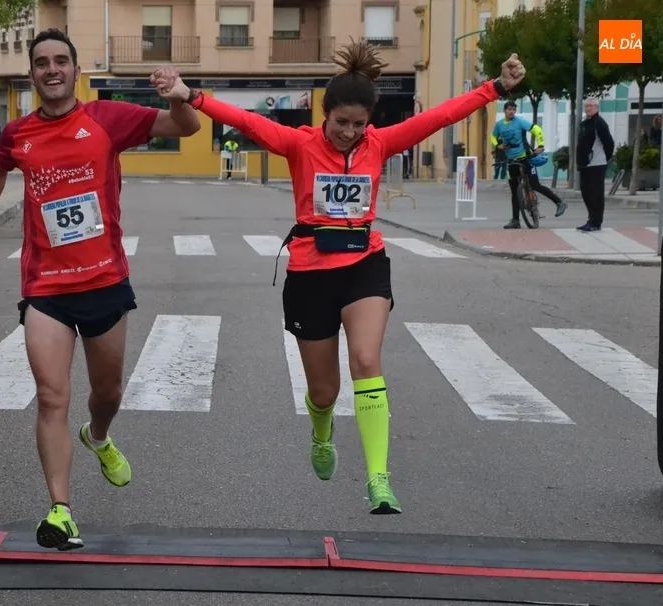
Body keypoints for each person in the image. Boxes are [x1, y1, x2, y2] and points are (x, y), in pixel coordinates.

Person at [152, 40, 526, 515]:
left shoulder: (380, 143)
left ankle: (378, 478)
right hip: (310, 273)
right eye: (341, 123)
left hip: (364, 263)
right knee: (324, 391)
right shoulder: (298, 144)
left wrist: (494, 88)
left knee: (367, 360)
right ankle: (322, 430)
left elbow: (440, 117)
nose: (349, 133)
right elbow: (247, 121)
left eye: (359, 124)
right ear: (323, 115)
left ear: (370, 121)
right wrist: (191, 95)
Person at [0, 28, 200, 551]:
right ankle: (61, 510)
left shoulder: (106, 118)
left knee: (107, 393)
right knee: (51, 397)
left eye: (61, 61)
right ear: (32, 74)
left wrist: (179, 97)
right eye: (42, 62)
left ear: (75, 70)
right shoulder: (18, 134)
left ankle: (99, 436)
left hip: (104, 281)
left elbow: (185, 127)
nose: (52, 69)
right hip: (45, 285)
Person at [490, 101, 567, 229]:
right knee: (514, 191)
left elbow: (536, 129)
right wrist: (498, 145)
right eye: (509, 109)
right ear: (504, 110)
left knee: (535, 185)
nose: (511, 112)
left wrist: (541, 145)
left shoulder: (520, 122)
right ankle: (515, 220)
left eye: (514, 109)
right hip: (512, 161)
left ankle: (559, 202)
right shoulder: (499, 125)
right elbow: (493, 137)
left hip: (526, 158)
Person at [575, 98, 615, 232]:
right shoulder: (584, 123)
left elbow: (609, 143)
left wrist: (604, 157)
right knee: (586, 193)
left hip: (597, 164)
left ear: (597, 108)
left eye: (591, 106)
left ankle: (596, 222)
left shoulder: (599, 123)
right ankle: (591, 220)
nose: (588, 108)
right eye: (586, 106)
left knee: (595, 194)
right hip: (585, 165)